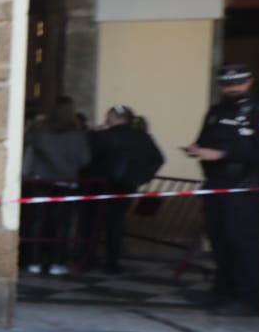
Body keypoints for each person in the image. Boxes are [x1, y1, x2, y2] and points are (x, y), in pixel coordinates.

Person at [185, 63, 259, 315]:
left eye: (237, 83)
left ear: (249, 82)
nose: (232, 88)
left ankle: (248, 298)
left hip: (244, 188)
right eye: (226, 84)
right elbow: (204, 141)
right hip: (216, 187)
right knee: (219, 240)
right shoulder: (215, 111)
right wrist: (197, 150)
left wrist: (222, 153)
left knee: (241, 242)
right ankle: (224, 291)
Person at [84, 105, 164, 272]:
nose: (107, 119)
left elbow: (86, 157)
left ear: (118, 118)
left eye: (109, 116)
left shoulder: (103, 136)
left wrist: (91, 134)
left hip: (99, 186)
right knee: (116, 222)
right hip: (126, 186)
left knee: (92, 222)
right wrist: (140, 178)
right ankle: (112, 261)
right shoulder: (142, 137)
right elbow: (158, 159)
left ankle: (88, 258)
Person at [21, 99, 90, 277]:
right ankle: (56, 262)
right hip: (66, 182)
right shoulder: (77, 134)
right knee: (61, 225)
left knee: (37, 222)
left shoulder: (40, 131)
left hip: (41, 180)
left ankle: (34, 261)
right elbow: (85, 159)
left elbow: (26, 142)